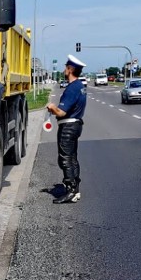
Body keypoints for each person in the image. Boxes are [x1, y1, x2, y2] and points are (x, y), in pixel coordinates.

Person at [46, 54, 87, 204]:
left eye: (66, 67)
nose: (64, 69)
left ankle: (70, 190)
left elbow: (61, 112)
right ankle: (75, 189)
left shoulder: (72, 88)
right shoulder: (80, 86)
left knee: (65, 159)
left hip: (68, 127)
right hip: (75, 124)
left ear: (70, 69)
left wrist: (52, 107)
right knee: (72, 158)